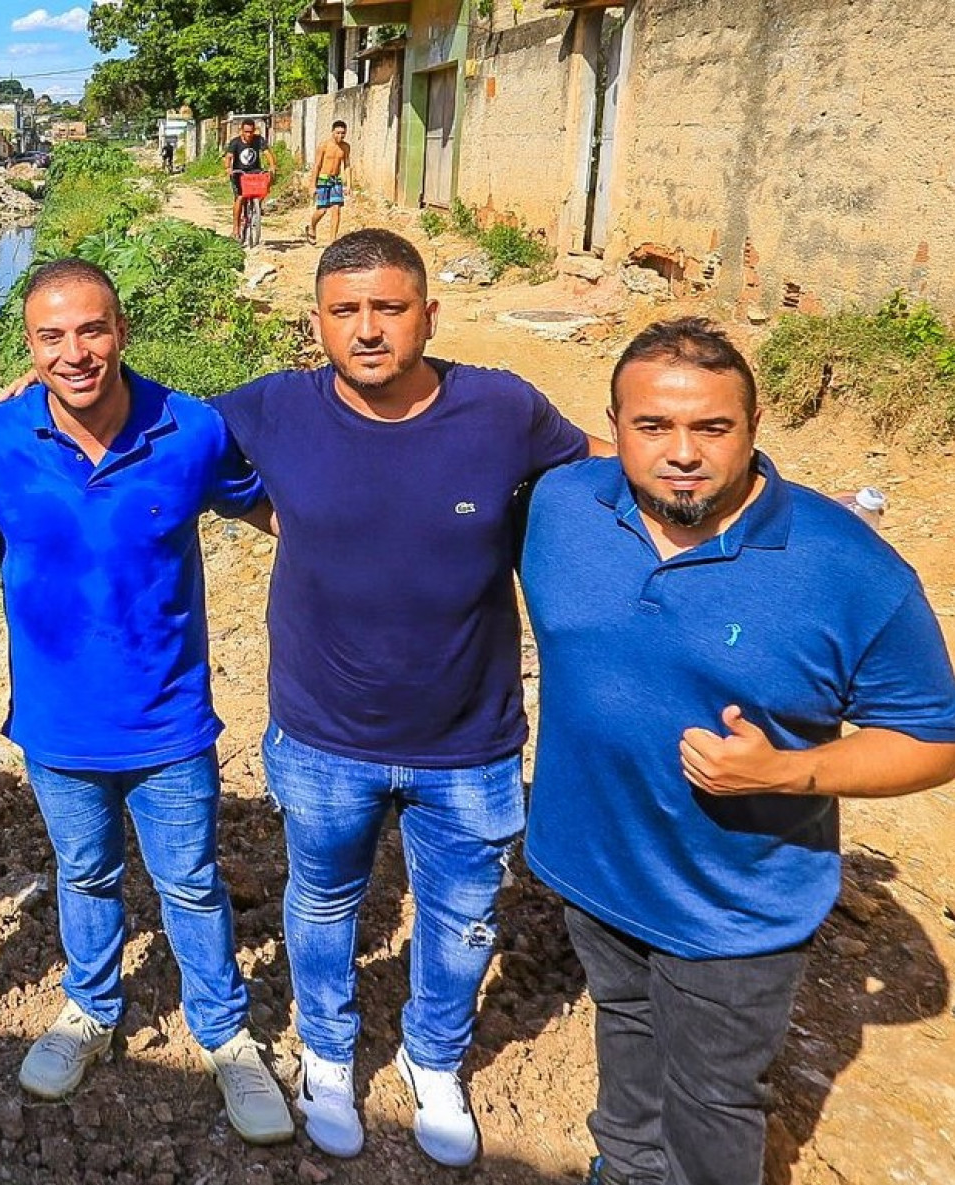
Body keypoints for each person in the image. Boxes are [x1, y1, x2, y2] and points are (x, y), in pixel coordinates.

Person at [520, 318, 955, 1185]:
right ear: (613, 429)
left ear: (753, 430)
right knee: (625, 1032)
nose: (682, 452)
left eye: (711, 428)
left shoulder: (847, 568)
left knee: (713, 1100)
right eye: (653, 427)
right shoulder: (564, 507)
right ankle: (624, 1166)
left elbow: (933, 742)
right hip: (590, 865)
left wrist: (789, 771)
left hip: (730, 907)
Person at [212, 227, 606, 1165]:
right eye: (346, 311)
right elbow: (150, 434)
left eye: (390, 308)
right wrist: (41, 399)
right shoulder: (272, 409)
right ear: (317, 323)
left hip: (469, 738)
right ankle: (328, 1052)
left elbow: (599, 467)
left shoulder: (501, 409)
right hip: (322, 732)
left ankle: (434, 1058)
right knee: (321, 900)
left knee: (463, 914)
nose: (369, 329)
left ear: (429, 313)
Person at [0, 259, 293, 1146]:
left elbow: (274, 514)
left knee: (189, 881)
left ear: (122, 330)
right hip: (57, 722)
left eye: (93, 329)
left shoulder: (190, 428)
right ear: (28, 348)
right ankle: (91, 1008)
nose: (76, 352)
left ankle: (224, 1035)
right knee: (86, 872)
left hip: (169, 717)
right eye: (52, 336)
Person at [223, 119, 273, 242]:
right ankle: (236, 229)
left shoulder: (259, 140)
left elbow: (267, 153)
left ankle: (256, 208)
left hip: (254, 172)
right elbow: (229, 156)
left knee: (263, 189)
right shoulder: (235, 142)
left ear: (254, 130)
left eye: (251, 131)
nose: (249, 134)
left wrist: (272, 166)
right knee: (240, 198)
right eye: (246, 132)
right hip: (239, 174)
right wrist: (228, 168)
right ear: (241, 131)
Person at [306, 121, 352, 245]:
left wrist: (349, 185)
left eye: (343, 133)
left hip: (336, 180)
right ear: (332, 132)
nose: (340, 136)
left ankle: (332, 241)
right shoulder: (324, 146)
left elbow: (347, 165)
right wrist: (312, 184)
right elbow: (317, 165)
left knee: (336, 209)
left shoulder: (346, 147)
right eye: (338, 133)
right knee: (322, 210)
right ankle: (312, 226)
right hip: (323, 179)